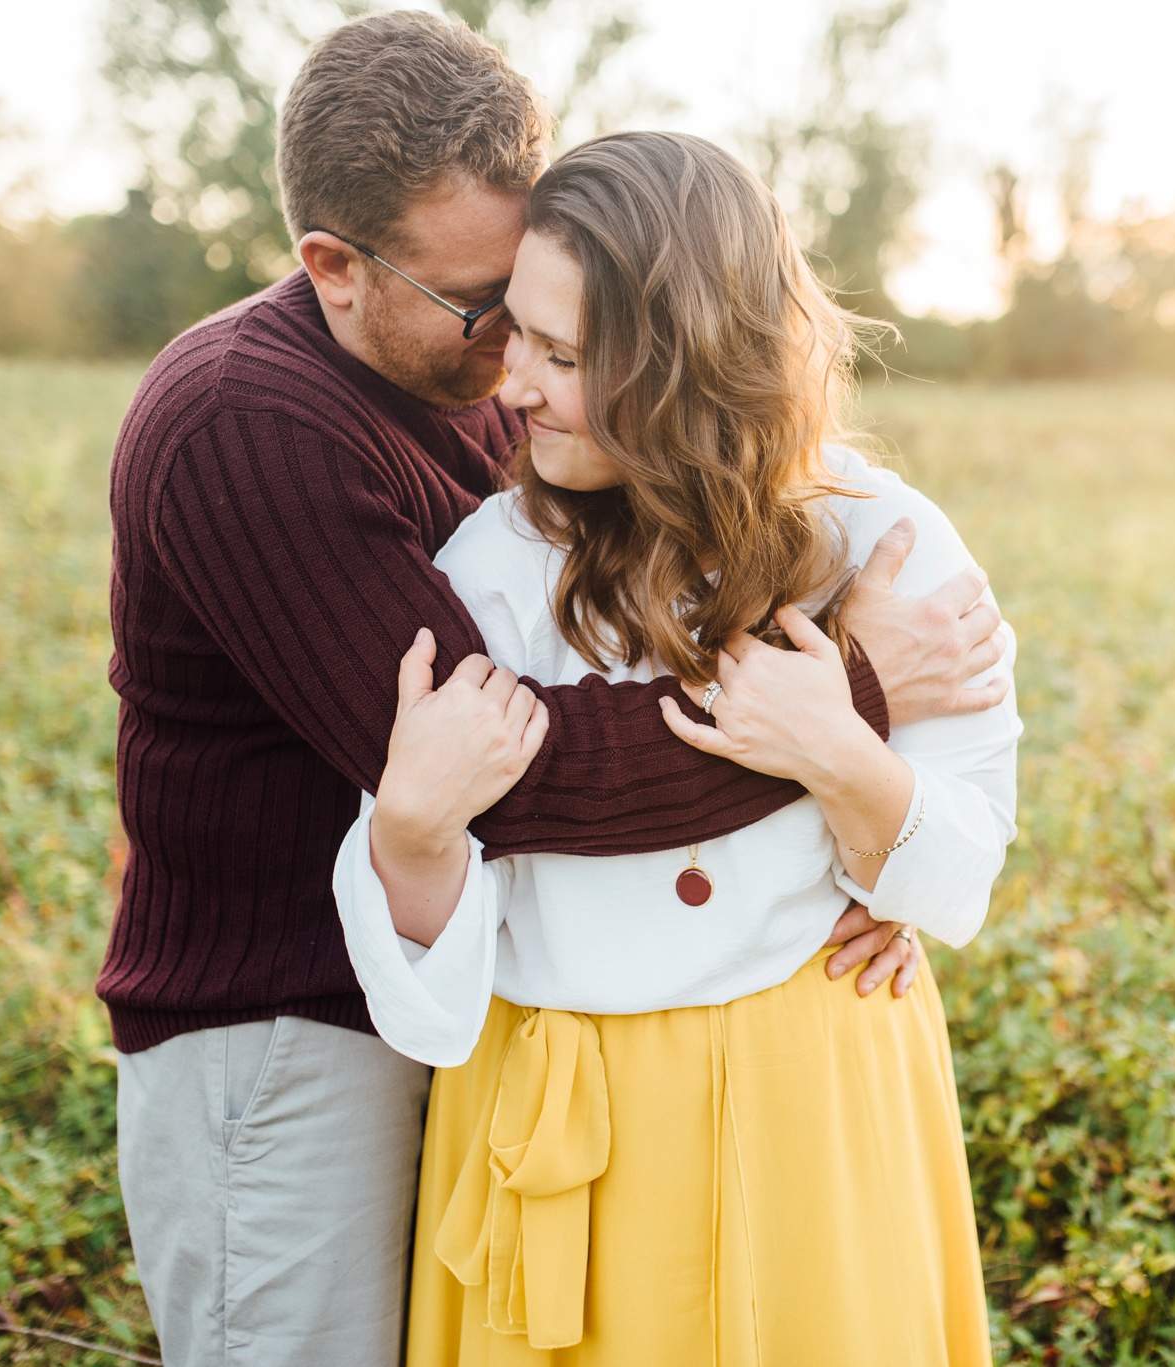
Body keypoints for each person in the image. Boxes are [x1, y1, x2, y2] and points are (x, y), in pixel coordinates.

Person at [101, 13, 1005, 1367]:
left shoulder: (474, 377)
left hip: (602, 1045)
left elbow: (944, 836)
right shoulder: (254, 426)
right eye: (489, 313)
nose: (510, 379)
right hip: (283, 1022)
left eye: (544, 326)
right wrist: (846, 702)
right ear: (334, 269)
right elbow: (509, 776)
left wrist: (864, 834)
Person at [334, 130, 1018, 1365]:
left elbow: (960, 870)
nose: (514, 388)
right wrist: (411, 841)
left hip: (814, 1091)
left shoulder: (884, 545)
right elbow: (424, 990)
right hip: (554, 1110)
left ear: (692, 364)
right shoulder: (486, 571)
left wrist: (841, 750)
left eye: (565, 354)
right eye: (515, 339)